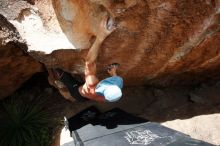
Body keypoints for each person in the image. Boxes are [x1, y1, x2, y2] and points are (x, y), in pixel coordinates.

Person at [48, 15, 123, 102]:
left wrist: (100, 37)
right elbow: (115, 83)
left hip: (77, 93)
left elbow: (89, 62)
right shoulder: (112, 93)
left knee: (64, 75)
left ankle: (54, 68)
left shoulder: (92, 84)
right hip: (88, 97)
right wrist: (113, 74)